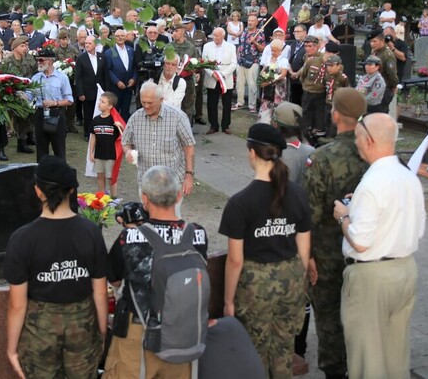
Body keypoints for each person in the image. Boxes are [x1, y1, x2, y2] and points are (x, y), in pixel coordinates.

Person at [332, 113, 426, 379]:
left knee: (367, 359)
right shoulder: (408, 177)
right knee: (396, 355)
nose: (356, 144)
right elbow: (417, 229)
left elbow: (360, 241)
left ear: (370, 141)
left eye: (358, 138)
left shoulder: (372, 183)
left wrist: (344, 216)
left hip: (371, 277)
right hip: (405, 270)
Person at [220, 123, 311, 377]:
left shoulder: (240, 202)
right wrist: (300, 284)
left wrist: (228, 301)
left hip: (256, 286)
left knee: (253, 351)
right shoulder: (297, 193)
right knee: (283, 348)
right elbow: (304, 247)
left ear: (252, 153)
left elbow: (235, 261)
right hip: (290, 280)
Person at [4, 156, 107, 379]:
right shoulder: (91, 233)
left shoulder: (22, 239)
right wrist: (101, 333)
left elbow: (17, 305)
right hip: (83, 327)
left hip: (39, 332)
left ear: (38, 191)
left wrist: (12, 349)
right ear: (71, 190)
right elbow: (100, 291)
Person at [103, 166, 208, 379]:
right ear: (179, 196)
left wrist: (133, 228)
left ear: (144, 198)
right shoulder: (197, 234)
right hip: (183, 335)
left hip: (138, 336)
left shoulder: (129, 238)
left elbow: (113, 280)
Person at [302, 88, 369, 379]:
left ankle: (335, 371)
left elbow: (309, 214)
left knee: (328, 316)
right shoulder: (373, 154)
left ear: (336, 114)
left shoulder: (322, 158)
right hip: (367, 252)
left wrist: (308, 257)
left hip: (328, 253)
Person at [122, 82, 195, 197]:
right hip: (146, 183)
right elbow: (126, 141)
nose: (146, 106)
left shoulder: (178, 117)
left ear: (161, 100)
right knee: (147, 215)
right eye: (143, 102)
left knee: (169, 215)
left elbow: (189, 146)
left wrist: (189, 175)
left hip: (172, 183)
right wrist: (128, 152)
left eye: (150, 103)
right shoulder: (135, 118)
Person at [29, 48, 74, 160]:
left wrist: (54, 102)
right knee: (41, 149)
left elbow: (69, 100)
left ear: (50, 61)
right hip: (40, 114)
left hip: (56, 114)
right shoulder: (36, 77)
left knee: (59, 148)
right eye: (38, 60)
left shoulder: (62, 78)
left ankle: (60, 175)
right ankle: (41, 175)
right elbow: (28, 95)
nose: (38, 62)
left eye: (41, 60)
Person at [88, 92, 124, 197]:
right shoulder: (95, 120)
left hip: (111, 155)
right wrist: (91, 152)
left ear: (110, 106)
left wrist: (120, 126)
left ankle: (113, 198)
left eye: (102, 102)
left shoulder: (114, 121)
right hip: (99, 154)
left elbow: (124, 136)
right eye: (100, 100)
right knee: (100, 176)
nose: (99, 103)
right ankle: (102, 196)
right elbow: (93, 137)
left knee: (112, 178)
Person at [202, 27, 238, 135]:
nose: (215, 38)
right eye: (214, 35)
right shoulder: (207, 46)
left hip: (226, 78)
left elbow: (233, 63)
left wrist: (222, 75)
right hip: (212, 77)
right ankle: (213, 125)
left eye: (217, 36)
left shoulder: (231, 47)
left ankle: (225, 125)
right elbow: (204, 62)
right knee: (211, 103)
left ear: (223, 36)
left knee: (227, 103)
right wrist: (212, 74)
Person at [74, 35, 108, 142]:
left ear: (95, 44)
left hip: (100, 92)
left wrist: (106, 92)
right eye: (86, 43)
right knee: (88, 114)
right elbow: (78, 77)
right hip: (87, 92)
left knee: (100, 112)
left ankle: (99, 132)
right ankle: (88, 133)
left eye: (89, 43)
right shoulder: (81, 58)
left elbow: (105, 75)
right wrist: (80, 93)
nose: (87, 45)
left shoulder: (102, 57)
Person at [234, 14, 266, 112]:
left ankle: (252, 105)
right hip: (240, 61)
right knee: (239, 83)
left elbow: (263, 49)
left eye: (252, 21)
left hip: (253, 62)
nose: (250, 22)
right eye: (249, 20)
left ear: (256, 23)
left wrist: (255, 42)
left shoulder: (260, 34)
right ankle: (240, 102)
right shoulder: (244, 32)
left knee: (252, 84)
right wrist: (236, 57)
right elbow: (240, 46)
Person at [104, 28, 137, 121]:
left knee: (126, 111)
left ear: (125, 37)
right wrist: (117, 81)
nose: (120, 38)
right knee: (115, 110)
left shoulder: (131, 50)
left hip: (129, 86)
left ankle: (125, 131)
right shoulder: (109, 52)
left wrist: (134, 78)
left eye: (122, 36)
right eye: (118, 36)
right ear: (114, 38)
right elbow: (108, 70)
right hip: (115, 87)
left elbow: (135, 67)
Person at [296, 35, 325, 135]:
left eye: (310, 46)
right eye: (306, 46)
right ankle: (306, 130)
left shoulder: (322, 58)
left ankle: (318, 131)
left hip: (319, 90)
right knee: (306, 111)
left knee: (318, 113)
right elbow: (304, 70)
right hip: (307, 89)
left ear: (317, 46)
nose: (307, 49)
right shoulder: (306, 56)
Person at [257, 39, 290, 124]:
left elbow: (283, 74)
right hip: (267, 87)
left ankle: (275, 125)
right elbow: (263, 71)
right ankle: (263, 123)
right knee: (266, 104)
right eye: (272, 50)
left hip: (278, 88)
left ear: (280, 51)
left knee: (277, 107)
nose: (272, 52)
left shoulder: (284, 60)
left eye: (275, 51)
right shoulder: (268, 58)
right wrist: (263, 78)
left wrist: (271, 80)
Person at [368, 30, 398, 113]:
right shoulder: (375, 52)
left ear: (382, 41)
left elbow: (391, 74)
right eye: (371, 41)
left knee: (380, 115)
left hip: (384, 90)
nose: (372, 44)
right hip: (374, 88)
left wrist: (394, 86)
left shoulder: (387, 55)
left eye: (374, 41)